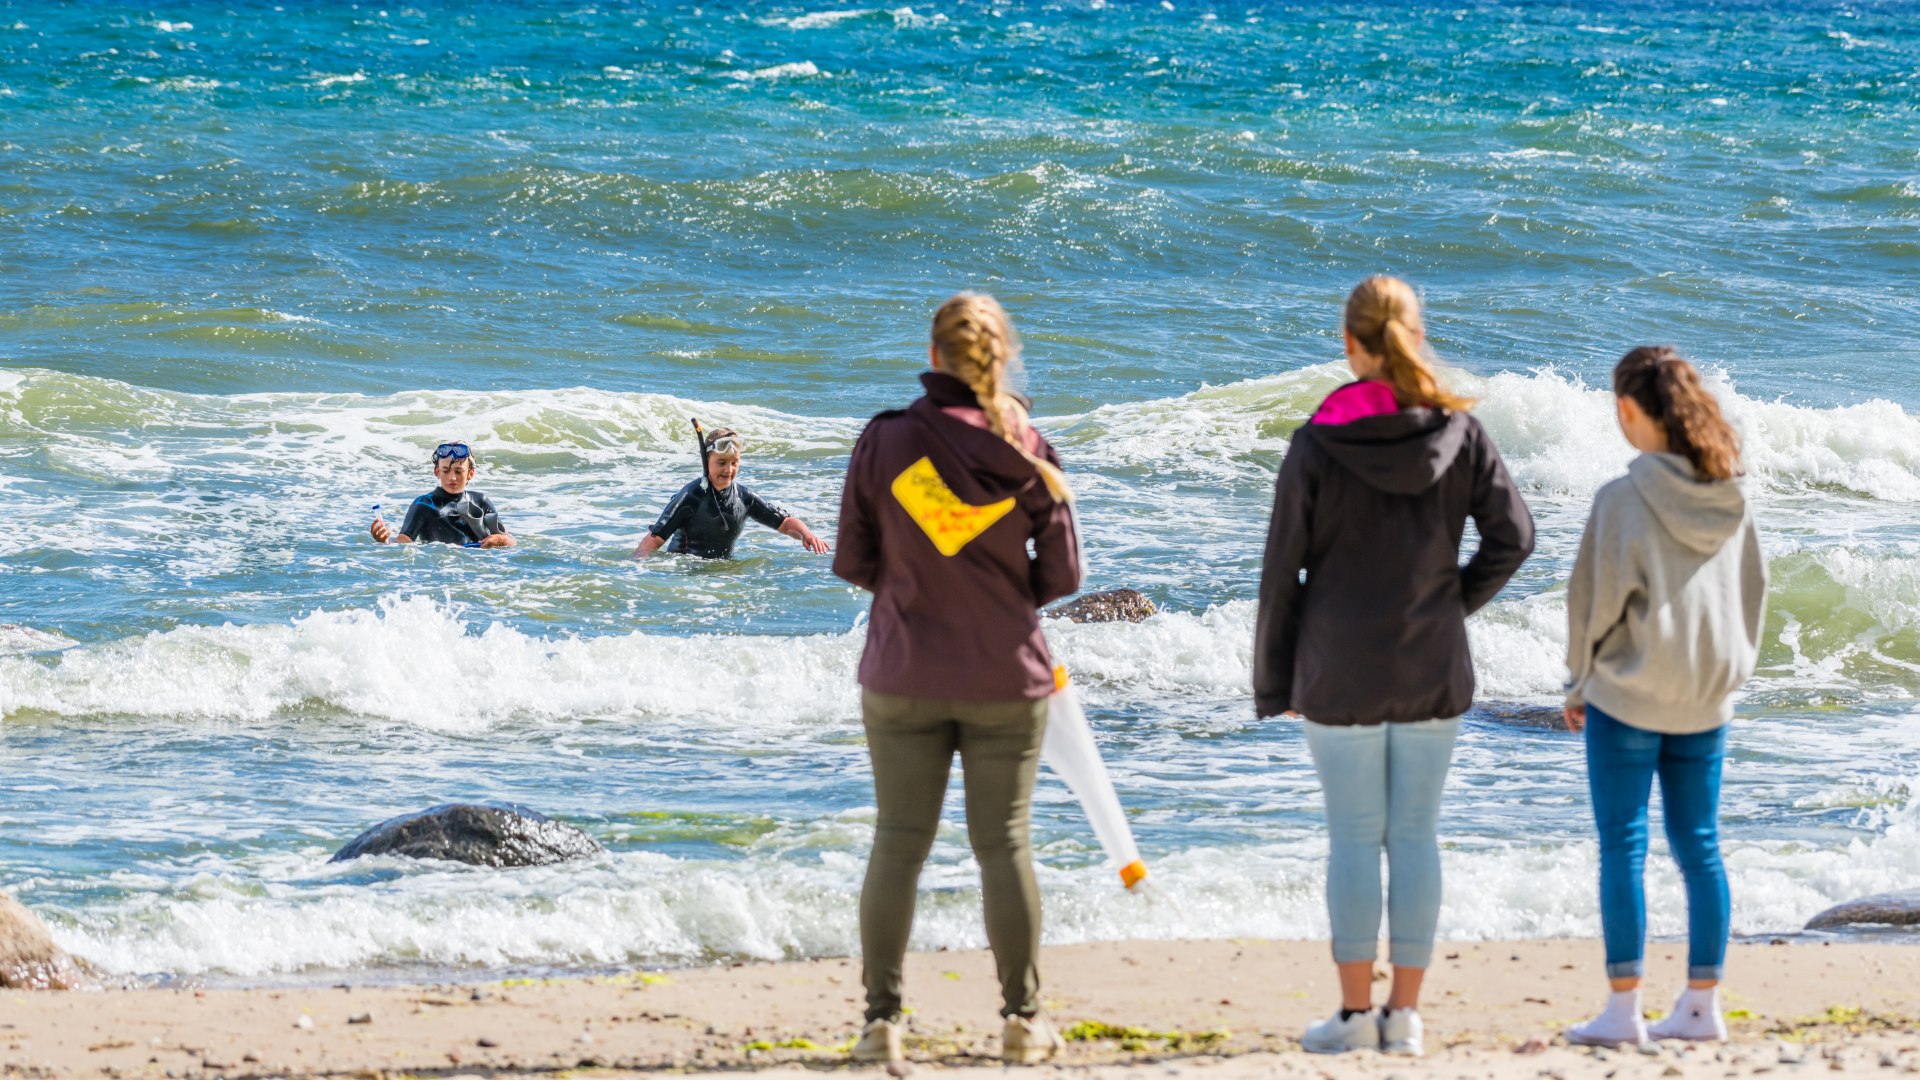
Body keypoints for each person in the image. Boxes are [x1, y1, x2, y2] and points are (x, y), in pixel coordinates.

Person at [1253, 275, 1534, 1056]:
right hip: (1430, 664)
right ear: (1415, 334)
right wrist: (1448, 607)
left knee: (1352, 837)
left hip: (1336, 666)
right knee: (1414, 835)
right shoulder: (1460, 433)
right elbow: (1515, 538)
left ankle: (1349, 1018)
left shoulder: (1316, 442)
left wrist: (1275, 680)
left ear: (1349, 346)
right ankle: (1404, 1019)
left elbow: (1281, 571)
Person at [832, 292, 1080, 1066]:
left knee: (898, 845)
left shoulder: (886, 441)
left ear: (934, 356)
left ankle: (881, 1022)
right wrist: (997, 604)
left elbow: (852, 562)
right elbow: (1065, 573)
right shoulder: (1029, 444)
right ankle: (1022, 1018)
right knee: (1004, 845)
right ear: (1000, 359)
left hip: (904, 671)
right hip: (1006, 675)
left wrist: (920, 589)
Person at [1562, 347, 1766, 1047]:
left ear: (1628, 410)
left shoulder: (1621, 500)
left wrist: (1577, 681)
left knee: (1623, 844)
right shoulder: (1732, 495)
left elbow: (1592, 603)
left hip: (1628, 693)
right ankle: (1702, 1008)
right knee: (1700, 847)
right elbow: (1753, 596)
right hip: (1707, 695)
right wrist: (1733, 672)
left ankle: (1622, 1012)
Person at [632, 427, 829, 559]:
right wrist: (637, 570)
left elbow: (785, 523)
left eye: (734, 463)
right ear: (706, 459)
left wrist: (807, 535)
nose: (728, 470)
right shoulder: (690, 497)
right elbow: (654, 539)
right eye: (722, 462)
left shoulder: (744, 498)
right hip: (685, 575)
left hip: (722, 578)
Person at [370, 442, 516, 548]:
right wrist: (383, 541)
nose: (452, 477)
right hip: (442, 573)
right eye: (446, 471)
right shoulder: (424, 504)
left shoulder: (481, 501)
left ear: (470, 474)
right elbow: (403, 542)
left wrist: (500, 540)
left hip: (478, 575)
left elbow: (511, 542)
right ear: (437, 472)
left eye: (458, 471)